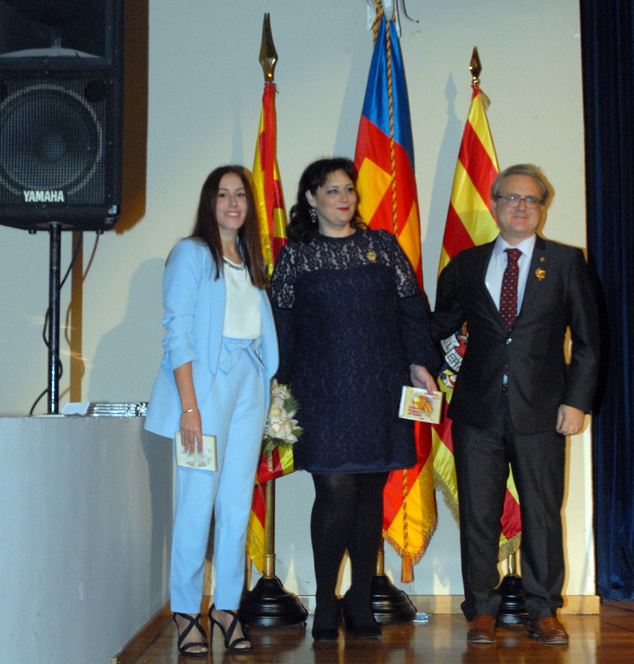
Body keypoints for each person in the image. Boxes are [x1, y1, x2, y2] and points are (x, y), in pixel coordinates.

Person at [270, 157, 439, 642]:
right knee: (334, 494)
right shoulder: (296, 256)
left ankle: (360, 601)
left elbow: (411, 309)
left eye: (348, 189)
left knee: (369, 498)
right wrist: (277, 385)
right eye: (332, 190)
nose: (343, 198)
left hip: (381, 388)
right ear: (311, 199)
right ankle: (326, 602)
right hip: (321, 394)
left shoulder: (382, 246)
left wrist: (420, 363)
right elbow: (282, 326)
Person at [432, 164, 600, 645]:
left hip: (543, 411)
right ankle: (481, 611)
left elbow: (589, 341)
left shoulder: (566, 262)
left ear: (542, 208)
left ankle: (544, 610)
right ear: (494, 205)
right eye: (512, 198)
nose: (521, 207)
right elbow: (440, 325)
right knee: (478, 515)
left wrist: (576, 403)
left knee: (542, 514)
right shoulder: (467, 263)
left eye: (531, 199)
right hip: (477, 411)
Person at [145, 165, 278, 656]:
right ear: (210, 202)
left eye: (240, 194)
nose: (233, 203)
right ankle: (186, 610)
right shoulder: (192, 254)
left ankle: (226, 607)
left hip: (249, 384)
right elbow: (177, 334)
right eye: (223, 194)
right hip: (204, 389)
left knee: (237, 505)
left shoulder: (250, 258)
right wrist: (189, 408)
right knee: (197, 503)